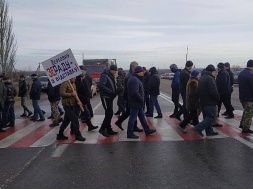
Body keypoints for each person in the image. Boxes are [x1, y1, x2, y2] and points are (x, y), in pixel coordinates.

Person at [127, 66, 156, 139]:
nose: (143, 73)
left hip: (137, 103)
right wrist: (141, 99)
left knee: (142, 117)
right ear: (139, 72)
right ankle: (129, 133)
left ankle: (147, 130)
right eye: (142, 71)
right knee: (133, 118)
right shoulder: (135, 80)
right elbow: (134, 92)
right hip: (135, 102)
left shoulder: (135, 78)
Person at [114, 61, 143, 132]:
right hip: (129, 97)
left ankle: (119, 122)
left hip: (128, 96)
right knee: (133, 112)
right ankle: (133, 128)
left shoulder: (130, 74)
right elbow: (129, 89)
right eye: (136, 67)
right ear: (133, 68)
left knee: (129, 112)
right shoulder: (130, 76)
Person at [56, 77, 86, 141]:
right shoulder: (65, 83)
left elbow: (75, 94)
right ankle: (78, 135)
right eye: (74, 77)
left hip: (72, 104)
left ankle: (60, 134)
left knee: (66, 120)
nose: (75, 78)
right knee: (74, 119)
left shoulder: (73, 83)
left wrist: (78, 101)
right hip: (67, 104)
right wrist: (71, 94)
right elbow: (61, 93)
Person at [194, 65, 220, 137]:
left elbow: (198, 90)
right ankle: (199, 127)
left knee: (207, 117)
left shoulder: (202, 78)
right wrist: (217, 98)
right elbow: (213, 91)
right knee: (211, 117)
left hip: (203, 101)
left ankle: (209, 131)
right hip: (210, 101)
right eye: (214, 71)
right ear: (210, 71)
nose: (215, 73)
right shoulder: (210, 79)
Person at [97, 64, 118, 137]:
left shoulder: (110, 75)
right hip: (105, 97)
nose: (115, 72)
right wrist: (110, 91)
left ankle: (109, 129)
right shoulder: (105, 75)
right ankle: (102, 129)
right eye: (114, 70)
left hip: (110, 97)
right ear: (111, 70)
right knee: (109, 113)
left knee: (109, 113)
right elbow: (101, 85)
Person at [238, 60, 253, 133]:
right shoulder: (251, 74)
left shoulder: (241, 73)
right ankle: (246, 127)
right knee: (249, 113)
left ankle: (242, 124)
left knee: (246, 111)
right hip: (249, 98)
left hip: (242, 96)